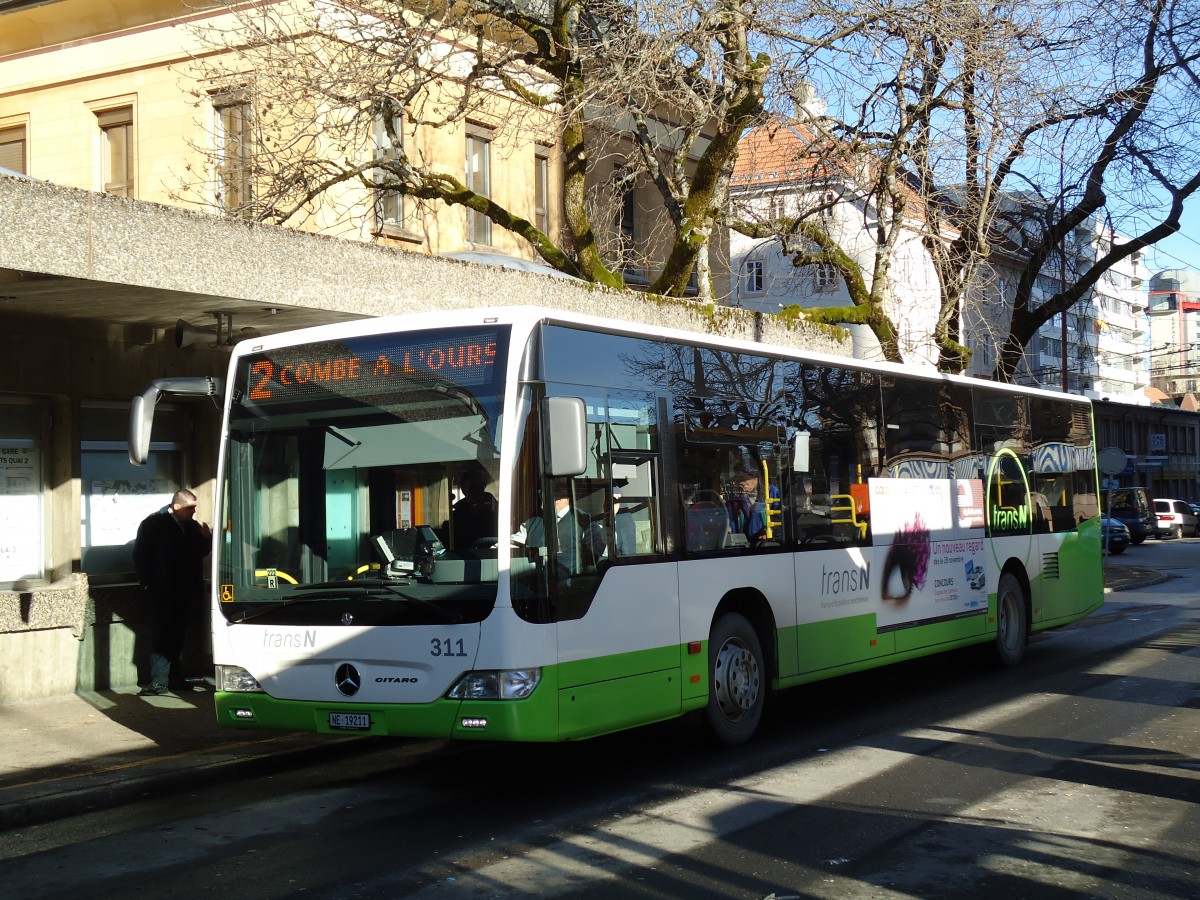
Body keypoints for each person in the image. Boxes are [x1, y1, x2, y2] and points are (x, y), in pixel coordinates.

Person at [133, 489, 212, 696]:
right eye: (190, 508)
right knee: (162, 637)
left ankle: (174, 678)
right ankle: (159, 681)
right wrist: (148, 585)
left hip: (185, 591)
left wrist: (206, 539)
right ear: (177, 507)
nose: (194, 512)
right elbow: (141, 555)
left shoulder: (191, 526)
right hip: (162, 591)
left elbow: (200, 552)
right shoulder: (153, 524)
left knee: (177, 636)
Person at [512, 482, 595, 578]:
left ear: (566, 497)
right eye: (541, 492)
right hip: (536, 583)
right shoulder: (532, 523)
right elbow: (512, 543)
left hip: (569, 584)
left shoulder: (582, 521)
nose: (543, 496)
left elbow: (600, 553)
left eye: (556, 492)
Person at [726, 469, 779, 545]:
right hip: (743, 541)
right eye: (738, 479)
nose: (741, 483)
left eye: (744, 479)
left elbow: (780, 515)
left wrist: (771, 529)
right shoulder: (737, 496)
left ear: (755, 477)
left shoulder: (771, 491)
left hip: (763, 540)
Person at [451, 467, 498, 550]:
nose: (477, 491)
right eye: (473, 487)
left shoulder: (497, 509)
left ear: (484, 487)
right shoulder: (458, 514)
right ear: (463, 489)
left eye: (480, 486)